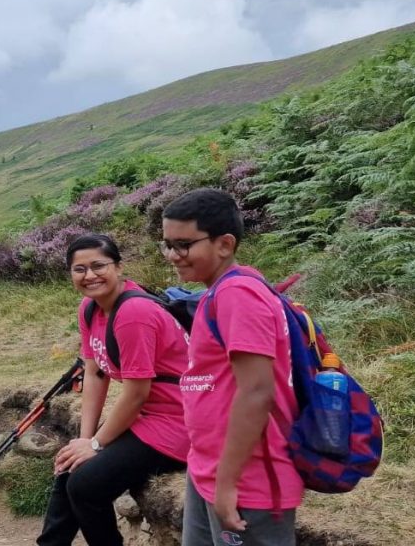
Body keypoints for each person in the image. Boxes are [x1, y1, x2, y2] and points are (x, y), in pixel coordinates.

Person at [162, 188, 301, 546]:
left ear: (224, 244)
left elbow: (257, 392)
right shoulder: (218, 291)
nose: (173, 256)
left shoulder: (238, 295)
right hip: (209, 466)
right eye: (167, 245)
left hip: (247, 478)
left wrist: (227, 483)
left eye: (183, 245)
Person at [38, 234, 188, 546]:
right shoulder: (90, 309)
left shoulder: (133, 314)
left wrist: (95, 444)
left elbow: (136, 394)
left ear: (118, 267)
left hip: (182, 421)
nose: (89, 275)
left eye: (98, 266)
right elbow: (94, 373)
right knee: (70, 463)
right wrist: (84, 439)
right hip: (151, 415)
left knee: (85, 486)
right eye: (79, 269)